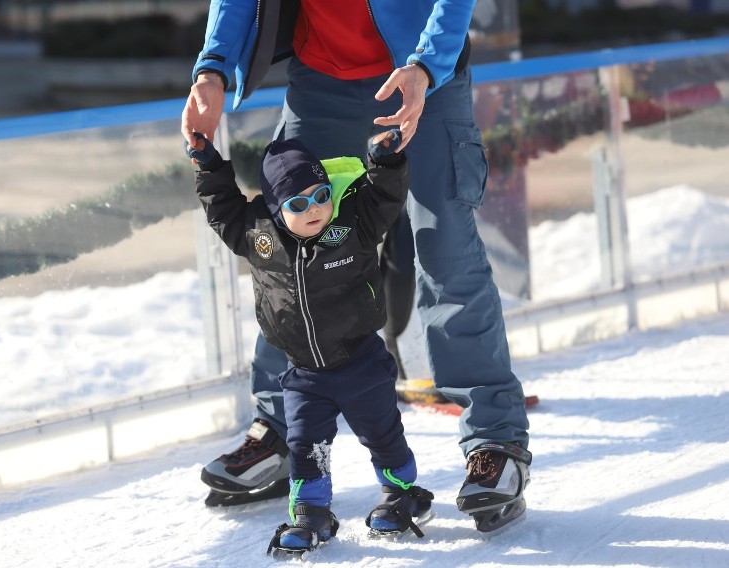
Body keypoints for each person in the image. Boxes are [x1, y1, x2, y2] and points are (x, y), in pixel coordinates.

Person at [181, 0, 532, 533]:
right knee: (286, 249)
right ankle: (279, 427)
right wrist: (212, 66)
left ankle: (494, 440)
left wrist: (426, 65)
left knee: (446, 251)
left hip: (421, 78)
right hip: (321, 81)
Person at [186, 129, 435, 553]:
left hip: (362, 361)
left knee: (382, 434)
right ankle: (311, 511)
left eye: (321, 195)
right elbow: (223, 209)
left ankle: (400, 493)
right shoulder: (257, 234)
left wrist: (386, 162)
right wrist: (209, 166)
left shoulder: (351, 220)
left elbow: (386, 199)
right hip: (303, 373)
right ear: (275, 207)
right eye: (298, 205)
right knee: (304, 445)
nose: (315, 209)